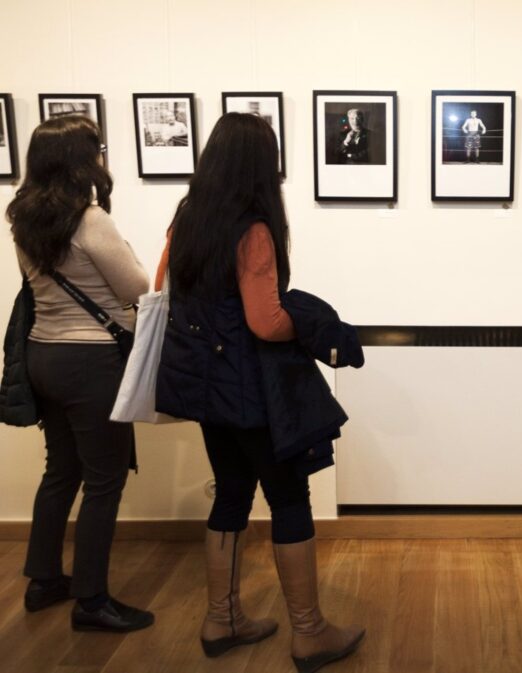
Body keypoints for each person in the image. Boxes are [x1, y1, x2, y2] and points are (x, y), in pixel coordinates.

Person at [153, 113, 365, 671]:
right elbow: (265, 321)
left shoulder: (187, 219)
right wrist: (308, 321)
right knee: (289, 499)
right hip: (253, 392)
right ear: (260, 167)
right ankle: (310, 631)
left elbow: (164, 290)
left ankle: (220, 619)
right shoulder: (253, 230)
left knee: (230, 495)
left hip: (203, 392)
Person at [6, 116, 153, 631]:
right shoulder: (90, 221)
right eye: (97, 148)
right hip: (92, 363)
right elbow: (136, 288)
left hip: (43, 355)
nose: (102, 157)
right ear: (77, 159)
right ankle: (91, 600)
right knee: (104, 481)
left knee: (60, 472)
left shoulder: (21, 217)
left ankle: (44, 580)